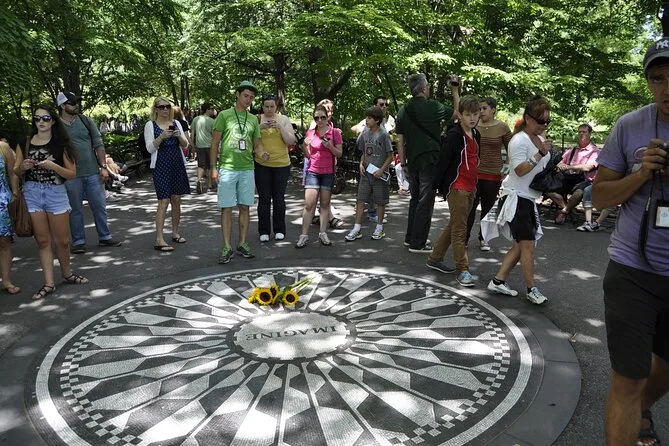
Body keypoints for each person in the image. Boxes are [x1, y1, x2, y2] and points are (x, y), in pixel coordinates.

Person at [594, 36, 669, 446]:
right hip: (632, 271)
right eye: (658, 78)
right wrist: (642, 173)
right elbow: (600, 197)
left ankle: (640, 410)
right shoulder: (629, 126)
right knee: (627, 379)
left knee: (662, 372)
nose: (667, 88)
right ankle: (632, 409)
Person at [15, 104, 88, 300]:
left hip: (56, 193)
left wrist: (53, 166)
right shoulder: (25, 142)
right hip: (32, 192)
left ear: (53, 121)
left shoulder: (61, 144)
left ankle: (67, 273)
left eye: (45, 118)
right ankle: (48, 283)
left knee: (62, 241)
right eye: (37, 118)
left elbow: (71, 174)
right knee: (43, 241)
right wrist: (23, 167)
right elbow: (15, 170)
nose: (41, 122)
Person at [484, 96, 552, 304]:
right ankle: (532, 289)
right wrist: (540, 154)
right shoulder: (519, 140)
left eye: (548, 121)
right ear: (528, 118)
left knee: (520, 245)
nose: (545, 125)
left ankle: (498, 280)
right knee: (528, 245)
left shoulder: (538, 138)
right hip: (516, 198)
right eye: (541, 121)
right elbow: (520, 170)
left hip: (528, 199)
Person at [396, 73, 460, 253]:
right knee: (425, 200)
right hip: (430, 159)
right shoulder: (432, 106)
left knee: (415, 199)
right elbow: (457, 115)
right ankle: (418, 243)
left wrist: (403, 163)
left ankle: (410, 237)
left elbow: (400, 139)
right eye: (428, 86)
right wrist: (455, 91)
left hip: (412, 161)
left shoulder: (403, 109)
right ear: (424, 89)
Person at [210, 80, 269, 264]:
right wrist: (213, 167)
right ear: (237, 94)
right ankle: (227, 246)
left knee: (245, 206)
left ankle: (242, 243)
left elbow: (257, 144)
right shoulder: (224, 115)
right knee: (227, 208)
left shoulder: (253, 119)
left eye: (251, 97)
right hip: (228, 168)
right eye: (245, 96)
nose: (248, 100)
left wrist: (262, 153)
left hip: (247, 168)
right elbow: (215, 143)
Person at [57, 91, 122, 254]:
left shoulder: (85, 121)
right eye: (72, 103)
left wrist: (103, 167)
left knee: (99, 206)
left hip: (93, 172)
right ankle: (78, 241)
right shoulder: (56, 126)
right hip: (71, 175)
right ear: (62, 106)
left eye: (77, 102)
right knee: (75, 209)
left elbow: (98, 144)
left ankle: (105, 237)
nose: (76, 105)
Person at [427, 95, 481, 287]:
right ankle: (462, 269)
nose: (472, 118)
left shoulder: (476, 134)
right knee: (460, 229)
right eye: (468, 114)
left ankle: (435, 257)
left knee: (455, 224)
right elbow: (443, 161)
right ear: (461, 115)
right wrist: (438, 185)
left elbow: (475, 159)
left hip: (471, 185)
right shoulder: (454, 135)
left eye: (475, 114)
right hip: (457, 186)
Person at [144, 97, 190, 252]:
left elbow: (185, 145)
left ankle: (175, 232)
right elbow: (150, 149)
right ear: (155, 109)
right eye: (161, 107)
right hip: (161, 165)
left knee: (176, 199)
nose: (165, 109)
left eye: (167, 106)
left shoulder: (176, 123)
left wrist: (178, 135)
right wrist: (161, 137)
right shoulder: (150, 125)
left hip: (176, 164)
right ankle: (159, 239)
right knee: (163, 200)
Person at [466, 97, 512, 251]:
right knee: (470, 206)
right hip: (474, 172)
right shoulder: (474, 124)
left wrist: (507, 165)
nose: (481, 111)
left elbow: (511, 146)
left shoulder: (502, 127)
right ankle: (464, 238)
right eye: (479, 109)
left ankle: (484, 238)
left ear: (493, 110)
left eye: (484, 108)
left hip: (493, 173)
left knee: (488, 207)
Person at [296, 105, 343, 248]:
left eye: (323, 117)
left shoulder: (334, 132)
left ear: (327, 117)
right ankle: (303, 235)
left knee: (325, 204)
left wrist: (330, 146)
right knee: (309, 204)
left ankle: (323, 233)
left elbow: (339, 153)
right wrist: (304, 146)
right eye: (317, 118)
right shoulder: (311, 132)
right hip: (313, 171)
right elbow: (308, 155)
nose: (320, 120)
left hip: (328, 172)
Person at [345, 106, 393, 241]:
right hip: (366, 172)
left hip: (379, 174)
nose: (366, 120)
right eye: (366, 117)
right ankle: (356, 228)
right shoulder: (365, 132)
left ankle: (379, 228)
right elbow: (364, 151)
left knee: (380, 202)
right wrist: (361, 163)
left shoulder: (383, 134)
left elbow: (390, 156)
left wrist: (381, 170)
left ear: (377, 120)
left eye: (370, 118)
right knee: (360, 200)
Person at [256, 94, 296, 242]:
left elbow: (291, 140)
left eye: (272, 106)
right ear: (262, 106)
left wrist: (280, 127)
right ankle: (264, 231)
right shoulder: (256, 119)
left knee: (279, 198)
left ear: (276, 107)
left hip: (281, 164)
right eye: (266, 106)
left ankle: (279, 229)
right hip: (262, 164)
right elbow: (250, 139)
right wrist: (259, 128)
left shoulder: (283, 119)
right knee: (264, 199)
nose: (269, 109)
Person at [352, 96, 395, 223]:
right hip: (367, 164)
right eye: (381, 104)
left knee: (379, 197)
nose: (384, 107)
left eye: (386, 105)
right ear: (375, 105)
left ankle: (376, 220)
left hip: (379, 165)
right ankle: (360, 223)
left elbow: (390, 152)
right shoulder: (366, 126)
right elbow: (362, 146)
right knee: (362, 196)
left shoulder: (387, 124)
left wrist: (382, 170)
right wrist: (361, 162)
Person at [550, 124, 600, 224]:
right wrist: (560, 165)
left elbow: (588, 167)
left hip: (584, 180)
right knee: (547, 187)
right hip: (568, 178)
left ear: (590, 134)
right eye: (579, 132)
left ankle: (563, 212)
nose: (581, 134)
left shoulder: (595, 151)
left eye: (584, 132)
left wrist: (570, 167)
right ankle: (568, 208)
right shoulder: (572, 150)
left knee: (579, 193)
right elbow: (560, 161)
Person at [309, 99, 344, 229]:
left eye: (331, 109)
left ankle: (321, 217)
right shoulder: (315, 125)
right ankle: (327, 218)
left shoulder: (332, 127)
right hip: (314, 163)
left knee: (325, 194)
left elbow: (336, 149)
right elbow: (310, 143)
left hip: (328, 163)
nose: (329, 112)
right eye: (326, 109)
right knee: (316, 193)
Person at [0, 139, 20, 295]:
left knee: (4, 241)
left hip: (1, 201)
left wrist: (14, 192)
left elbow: (13, 172)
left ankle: (6, 280)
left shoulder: (3, 147)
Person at [190, 102, 216, 194]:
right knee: (209, 165)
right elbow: (214, 135)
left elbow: (192, 133)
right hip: (210, 146)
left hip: (199, 145)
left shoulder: (196, 119)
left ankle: (198, 180)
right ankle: (209, 184)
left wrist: (192, 144)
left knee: (201, 165)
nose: (213, 110)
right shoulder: (212, 121)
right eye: (211, 109)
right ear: (207, 110)